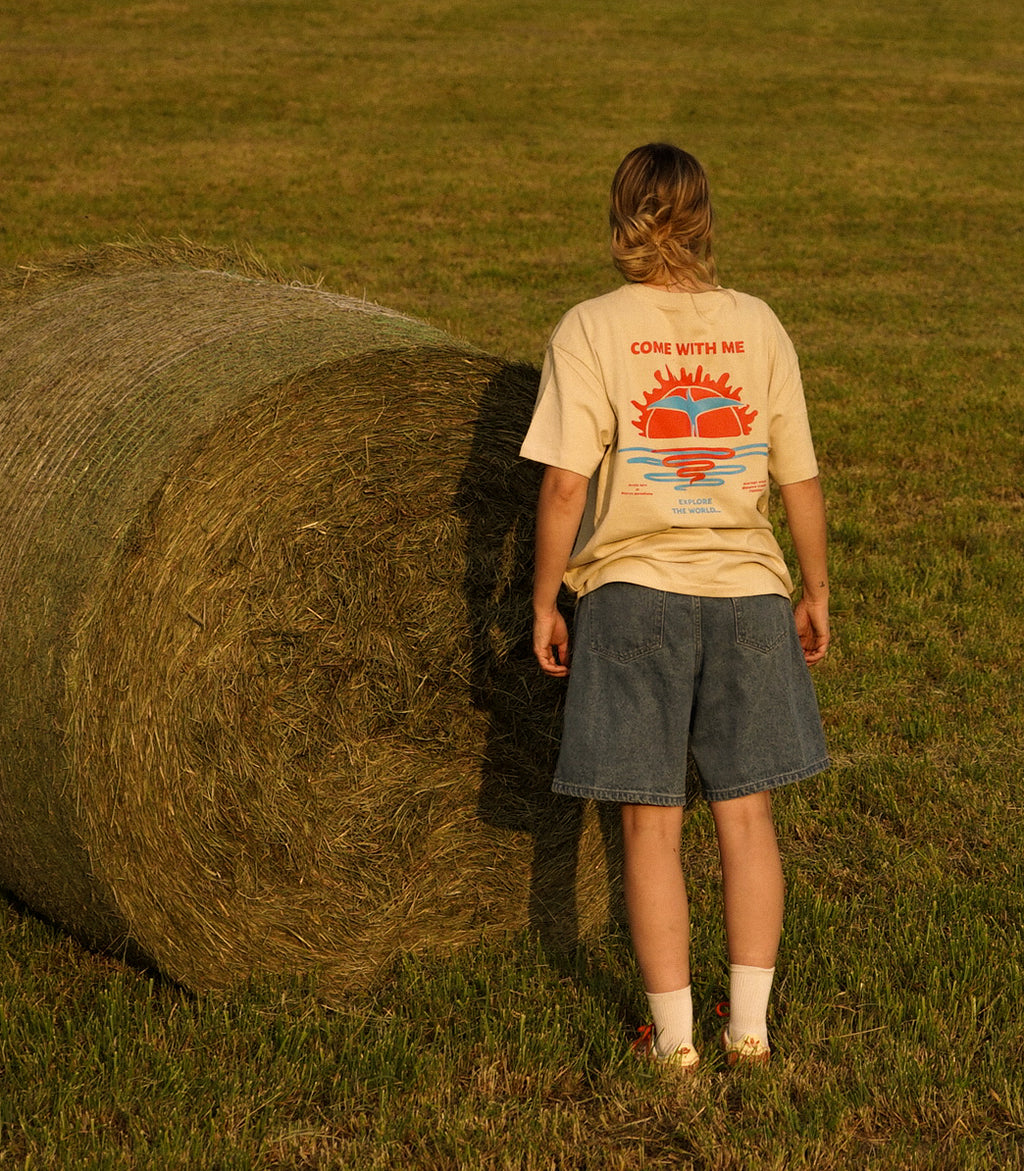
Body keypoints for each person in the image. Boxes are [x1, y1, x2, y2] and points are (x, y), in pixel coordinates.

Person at [519, 143, 830, 1071]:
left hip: (630, 596)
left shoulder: (590, 327)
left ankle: (676, 1043)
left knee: (650, 823)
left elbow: (566, 487)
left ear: (622, 220)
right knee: (746, 816)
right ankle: (752, 1032)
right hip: (746, 595)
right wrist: (812, 588)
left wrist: (546, 596)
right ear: (703, 219)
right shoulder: (760, 325)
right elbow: (800, 479)